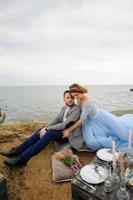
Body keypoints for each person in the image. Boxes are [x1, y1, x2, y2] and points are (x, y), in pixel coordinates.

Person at [0, 90, 83, 167]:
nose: (70, 100)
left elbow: (63, 125)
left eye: (71, 98)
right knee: (41, 130)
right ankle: (17, 151)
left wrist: (47, 129)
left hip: (69, 135)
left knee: (49, 134)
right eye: (67, 98)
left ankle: (22, 160)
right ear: (64, 99)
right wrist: (45, 127)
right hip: (62, 131)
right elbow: (56, 119)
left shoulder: (76, 109)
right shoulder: (64, 107)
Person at [63, 83, 133, 151]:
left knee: (93, 143)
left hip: (99, 119)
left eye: (76, 95)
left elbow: (81, 119)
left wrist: (69, 130)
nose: (75, 97)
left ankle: (113, 141)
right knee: (91, 140)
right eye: (73, 96)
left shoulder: (87, 103)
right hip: (88, 120)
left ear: (80, 91)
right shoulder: (79, 99)